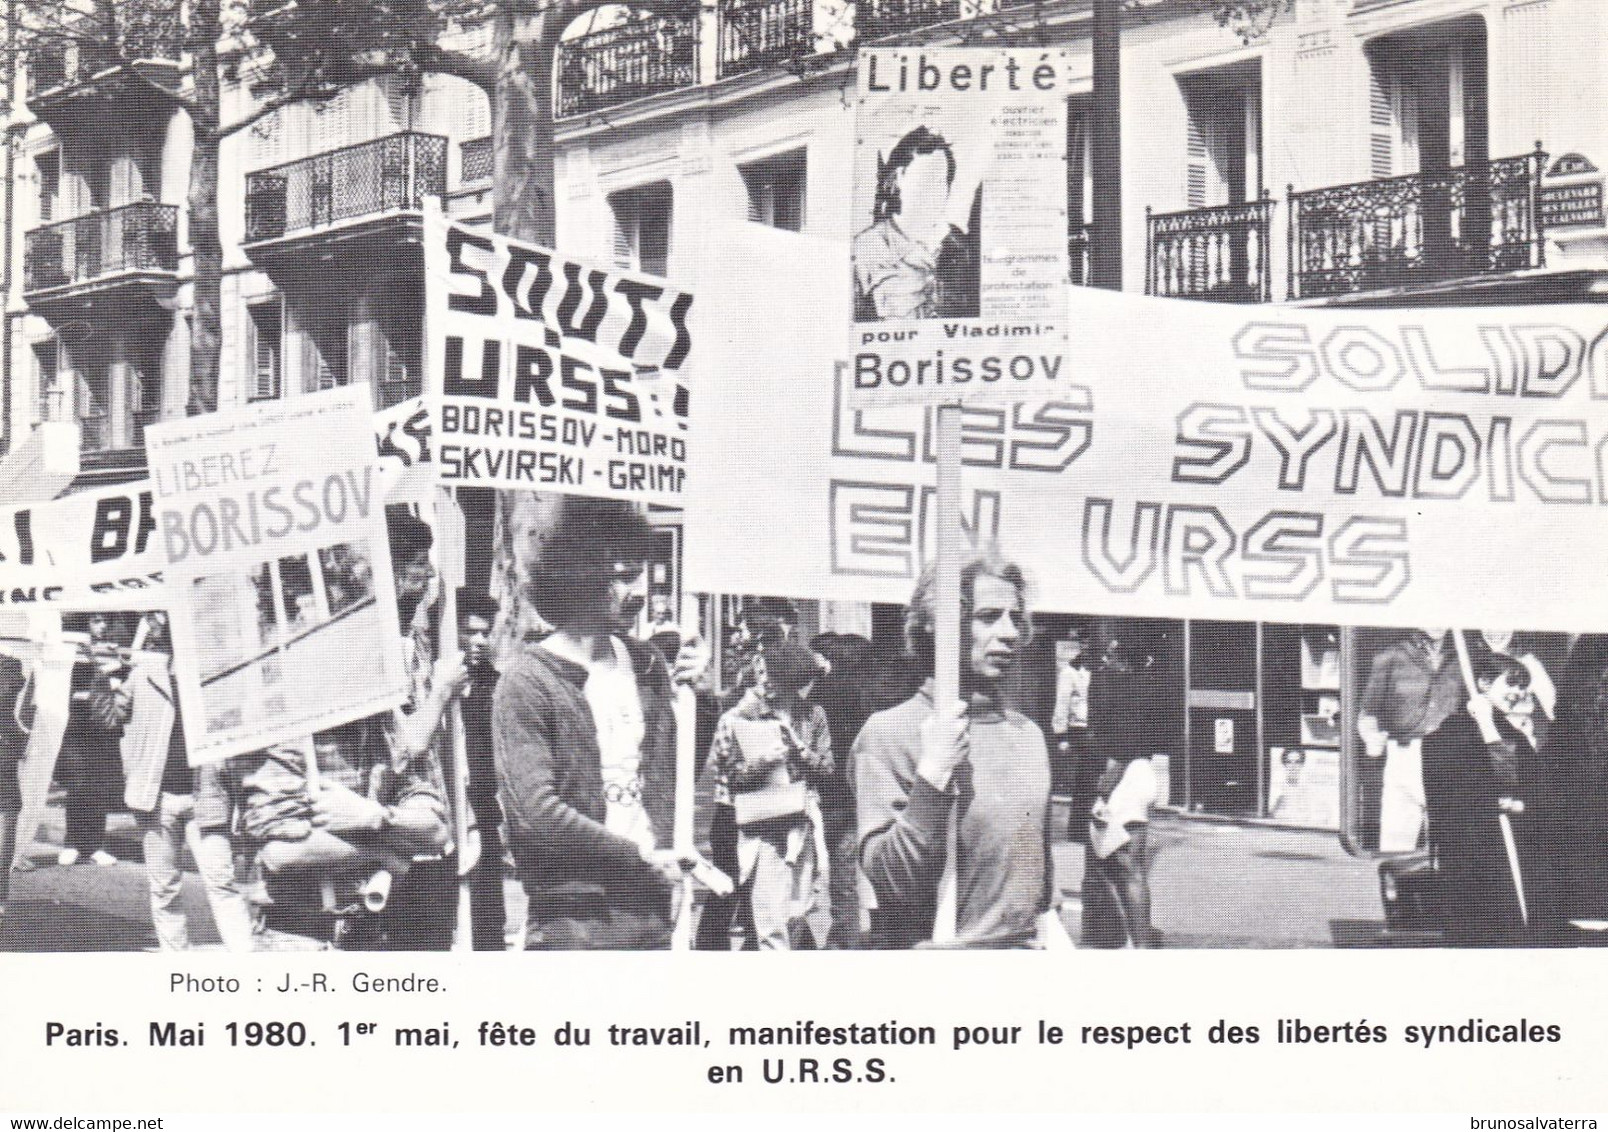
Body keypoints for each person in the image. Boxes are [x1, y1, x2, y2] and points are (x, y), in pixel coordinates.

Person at [222, 507, 467, 949]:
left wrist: (376, 818)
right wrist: (389, 853)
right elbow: (278, 853)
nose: (428, 574)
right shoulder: (275, 712)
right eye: (416, 562)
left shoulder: (379, 697)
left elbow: (433, 826)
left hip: (373, 925)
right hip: (298, 934)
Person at [493, 498, 683, 950]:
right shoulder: (528, 681)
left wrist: (699, 702)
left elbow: (667, 779)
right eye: (621, 577)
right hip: (572, 923)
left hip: (650, 915)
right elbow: (537, 816)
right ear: (578, 574)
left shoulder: (647, 664)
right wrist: (638, 858)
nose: (638, 592)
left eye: (640, 574)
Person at [855, 548, 1054, 949]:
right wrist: (931, 777)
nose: (1010, 632)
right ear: (938, 625)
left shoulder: (1028, 734)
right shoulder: (891, 732)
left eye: (1016, 618)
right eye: (988, 617)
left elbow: (1037, 877)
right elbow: (890, 880)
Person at [129, 612, 255, 952]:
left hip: (207, 799)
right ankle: (177, 967)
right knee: (164, 889)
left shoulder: (218, 677)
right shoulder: (144, 675)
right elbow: (111, 717)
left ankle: (248, 966)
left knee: (221, 884)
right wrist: (100, 679)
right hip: (157, 798)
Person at [707, 640, 833, 950]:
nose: (765, 681)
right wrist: (763, 762)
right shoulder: (742, 718)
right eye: (763, 674)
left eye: (773, 675)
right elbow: (732, 779)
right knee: (765, 916)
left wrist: (800, 750)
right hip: (760, 825)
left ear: (791, 680)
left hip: (802, 821)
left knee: (799, 908)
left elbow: (828, 770)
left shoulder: (813, 715)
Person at [1421, 646, 1542, 946]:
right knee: (1476, 928)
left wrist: (1520, 803)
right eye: (1510, 683)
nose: (1517, 692)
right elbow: (1456, 790)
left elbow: (1520, 783)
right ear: (1484, 684)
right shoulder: (1452, 732)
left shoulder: (1511, 733)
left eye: (1522, 686)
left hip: (1508, 846)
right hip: (1471, 850)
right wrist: (1486, 726)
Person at [1082, 625, 1163, 949]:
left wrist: (1108, 776)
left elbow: (1106, 735)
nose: (1105, 658)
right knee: (1133, 866)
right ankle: (1138, 942)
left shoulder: (1105, 682)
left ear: (1119, 654)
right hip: (1143, 772)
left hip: (1118, 773)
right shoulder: (1153, 683)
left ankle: (1119, 940)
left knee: (1107, 864)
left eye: (1109, 652)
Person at [853, 125, 982, 321]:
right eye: (924, 179)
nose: (932, 192)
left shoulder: (961, 247)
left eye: (940, 181)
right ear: (899, 178)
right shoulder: (865, 248)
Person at [1356, 627, 1465, 853]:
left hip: (1451, 756)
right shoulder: (1391, 657)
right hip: (1405, 756)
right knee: (1397, 846)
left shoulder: (1463, 657)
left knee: (1449, 848)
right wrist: (1371, 739)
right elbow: (1368, 713)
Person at [810, 631, 874, 948]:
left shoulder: (823, 692)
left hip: (832, 790)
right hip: (864, 786)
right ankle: (846, 934)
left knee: (840, 869)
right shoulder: (867, 691)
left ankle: (845, 939)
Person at [56, 612, 127, 867]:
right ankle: (72, 843)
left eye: (104, 620)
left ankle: (96, 845)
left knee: (99, 785)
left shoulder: (112, 651)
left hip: (103, 725)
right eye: (96, 621)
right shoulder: (71, 651)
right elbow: (66, 689)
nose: (102, 625)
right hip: (77, 726)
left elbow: (122, 683)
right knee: (77, 783)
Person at [457, 589, 507, 951]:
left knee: (488, 911)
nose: (479, 641)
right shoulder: (434, 682)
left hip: (484, 808)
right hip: (446, 807)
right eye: (470, 631)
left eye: (485, 633)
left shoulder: (495, 684)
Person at [1050, 625, 1094, 832]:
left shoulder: (1095, 670)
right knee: (1084, 778)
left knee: (1095, 778)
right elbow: (1062, 703)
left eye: (1089, 643)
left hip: (1095, 728)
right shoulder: (1069, 672)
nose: (1086, 648)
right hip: (1079, 729)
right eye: (1083, 643)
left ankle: (1091, 826)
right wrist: (1061, 735)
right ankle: (1078, 829)